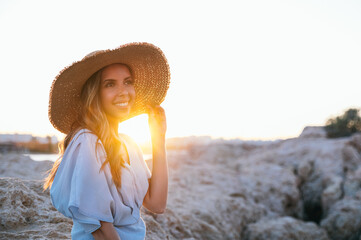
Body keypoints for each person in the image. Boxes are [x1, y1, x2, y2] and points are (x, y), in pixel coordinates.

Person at [43, 42, 170, 240]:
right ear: (94, 94)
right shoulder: (86, 141)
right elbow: (101, 230)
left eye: (128, 82)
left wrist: (158, 139)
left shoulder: (129, 144)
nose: (123, 91)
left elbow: (157, 204)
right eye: (110, 84)